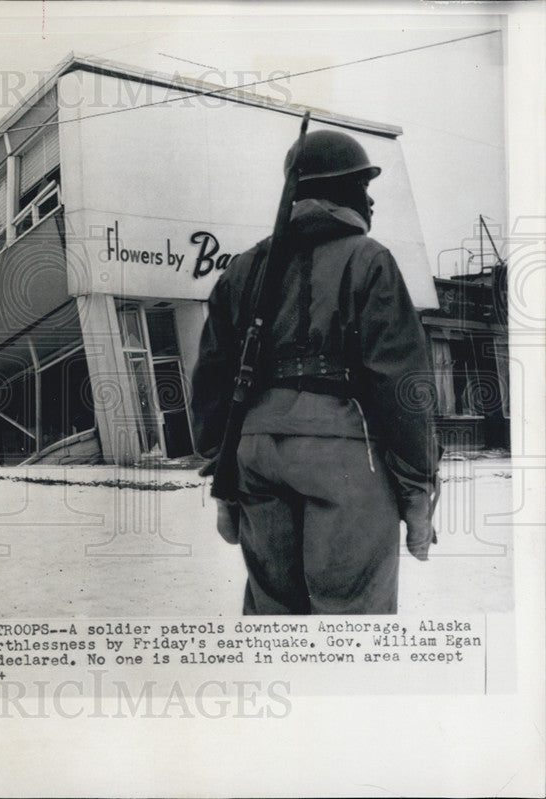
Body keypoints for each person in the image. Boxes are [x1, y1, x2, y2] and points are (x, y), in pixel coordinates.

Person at [190, 128, 441, 615]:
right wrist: (418, 483)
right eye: (363, 188)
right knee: (350, 625)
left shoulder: (242, 269)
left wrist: (219, 467)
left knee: (275, 616)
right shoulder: (369, 259)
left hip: (255, 455)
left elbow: (212, 378)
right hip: (343, 455)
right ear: (344, 191)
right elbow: (402, 384)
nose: (370, 202)